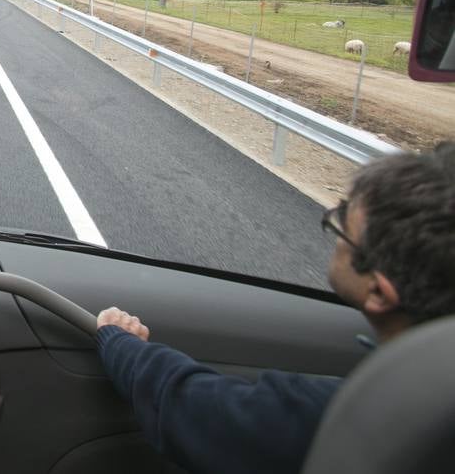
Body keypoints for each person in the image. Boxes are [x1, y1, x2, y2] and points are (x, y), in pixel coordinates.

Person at [95, 143, 455, 474]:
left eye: (344, 221)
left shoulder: (363, 413)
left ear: (378, 291)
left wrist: (120, 342)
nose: (335, 220)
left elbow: (194, 410)